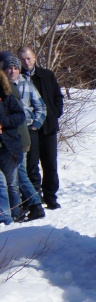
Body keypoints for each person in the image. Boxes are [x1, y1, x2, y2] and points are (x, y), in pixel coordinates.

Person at [1, 52, 45, 222]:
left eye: (15, 68)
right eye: (8, 68)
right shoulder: (8, 86)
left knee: (19, 175)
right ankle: (25, 206)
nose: (12, 71)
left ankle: (35, 204)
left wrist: (35, 125)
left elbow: (40, 107)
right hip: (15, 137)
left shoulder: (14, 88)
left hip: (18, 137)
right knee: (17, 175)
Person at [18, 46, 62, 210]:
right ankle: (34, 199)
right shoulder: (18, 78)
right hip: (29, 129)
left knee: (50, 164)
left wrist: (55, 112)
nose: (26, 62)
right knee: (31, 166)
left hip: (48, 127)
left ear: (35, 58)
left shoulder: (47, 75)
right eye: (22, 59)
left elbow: (57, 97)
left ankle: (51, 197)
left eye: (28, 58)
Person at [0, 69, 26, 227]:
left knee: (12, 184)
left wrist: (3, 122)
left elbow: (20, 116)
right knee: (1, 183)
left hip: (8, 146)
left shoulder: (7, 98)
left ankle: (15, 213)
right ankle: (5, 217)